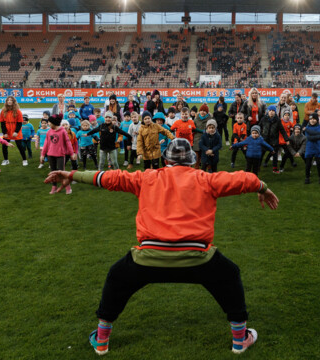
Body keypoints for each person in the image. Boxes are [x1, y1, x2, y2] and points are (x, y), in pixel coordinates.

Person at [44, 138, 279, 356]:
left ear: (165, 160)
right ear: (193, 159)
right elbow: (245, 179)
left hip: (148, 259)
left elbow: (109, 178)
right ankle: (240, 340)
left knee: (116, 277)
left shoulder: (147, 177)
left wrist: (72, 174)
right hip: (198, 258)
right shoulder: (206, 179)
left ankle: (102, 340)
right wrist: (264, 188)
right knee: (230, 275)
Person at [40, 115, 76, 194]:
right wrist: (42, 154)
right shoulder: (49, 132)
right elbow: (46, 144)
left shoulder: (63, 131)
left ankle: (68, 187)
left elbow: (68, 143)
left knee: (62, 172)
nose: (48, 124)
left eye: (49, 122)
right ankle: (54, 187)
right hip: (50, 155)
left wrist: (71, 153)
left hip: (60, 155)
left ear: (54, 123)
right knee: (53, 172)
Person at [0, 96, 27, 166]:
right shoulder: (3, 111)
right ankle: (6, 160)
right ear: (6, 102)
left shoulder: (18, 111)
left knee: (20, 146)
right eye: (8, 100)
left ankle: (24, 160)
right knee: (4, 145)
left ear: (13, 102)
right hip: (7, 131)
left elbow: (19, 123)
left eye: (11, 100)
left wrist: (16, 132)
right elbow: (2, 123)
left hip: (15, 131)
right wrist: (4, 132)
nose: (9, 101)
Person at [259, 105, 288, 173]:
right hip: (264, 139)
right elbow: (259, 127)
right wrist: (259, 135)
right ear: (267, 111)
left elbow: (282, 130)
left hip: (274, 140)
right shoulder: (263, 119)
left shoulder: (277, 120)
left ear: (275, 112)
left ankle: (274, 169)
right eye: (270, 111)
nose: (271, 112)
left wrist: (286, 139)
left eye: (273, 111)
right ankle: (257, 167)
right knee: (261, 154)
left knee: (275, 154)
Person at [304, 113, 320, 185]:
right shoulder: (307, 127)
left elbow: (319, 134)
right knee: (308, 164)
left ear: (317, 120)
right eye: (311, 119)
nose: (312, 121)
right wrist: (318, 136)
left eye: (314, 119)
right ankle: (307, 177)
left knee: (319, 164)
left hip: (318, 148)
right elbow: (309, 138)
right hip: (309, 148)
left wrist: (318, 135)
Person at [193, 104, 212, 169]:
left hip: (206, 139)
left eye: (204, 111)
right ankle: (196, 167)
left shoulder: (210, 119)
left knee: (206, 154)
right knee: (197, 155)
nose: (202, 112)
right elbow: (193, 128)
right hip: (197, 139)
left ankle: (209, 169)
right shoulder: (196, 118)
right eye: (201, 110)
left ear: (207, 112)